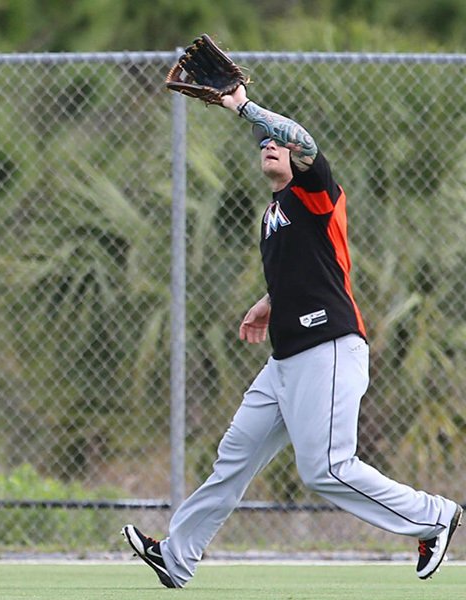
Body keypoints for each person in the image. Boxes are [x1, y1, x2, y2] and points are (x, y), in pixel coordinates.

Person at [123, 85, 462, 587]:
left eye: (275, 143)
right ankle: (177, 556)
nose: (268, 145)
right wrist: (269, 301)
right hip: (285, 362)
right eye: (262, 143)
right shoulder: (272, 215)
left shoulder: (315, 192)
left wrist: (243, 108)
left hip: (327, 349)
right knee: (234, 457)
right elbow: (309, 272)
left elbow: (301, 139)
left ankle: (433, 517)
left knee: (326, 467)